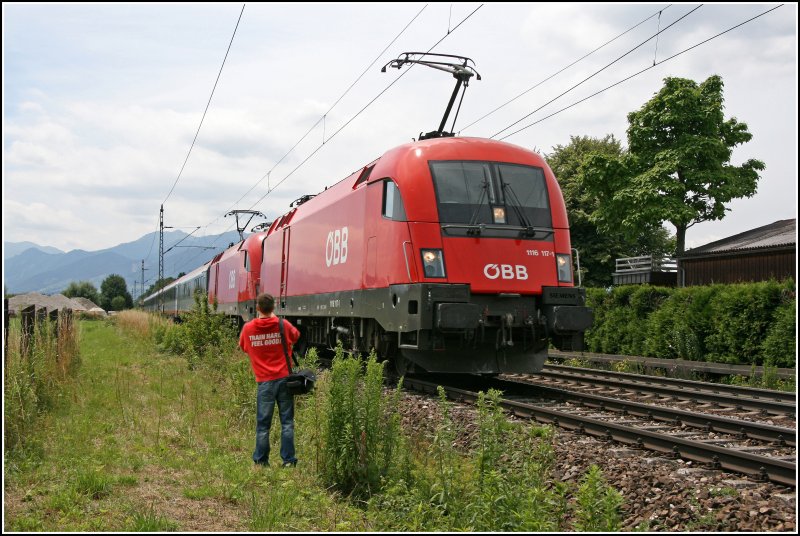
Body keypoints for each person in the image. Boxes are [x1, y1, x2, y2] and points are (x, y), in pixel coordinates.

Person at [238, 293, 301, 467]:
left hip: (264, 382)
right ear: (274, 307)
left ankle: (261, 461)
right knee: (287, 422)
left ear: (257, 308)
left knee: (263, 424)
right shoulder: (283, 325)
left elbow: (243, 347)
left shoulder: (248, 328)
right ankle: (288, 461)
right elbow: (296, 336)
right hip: (284, 380)